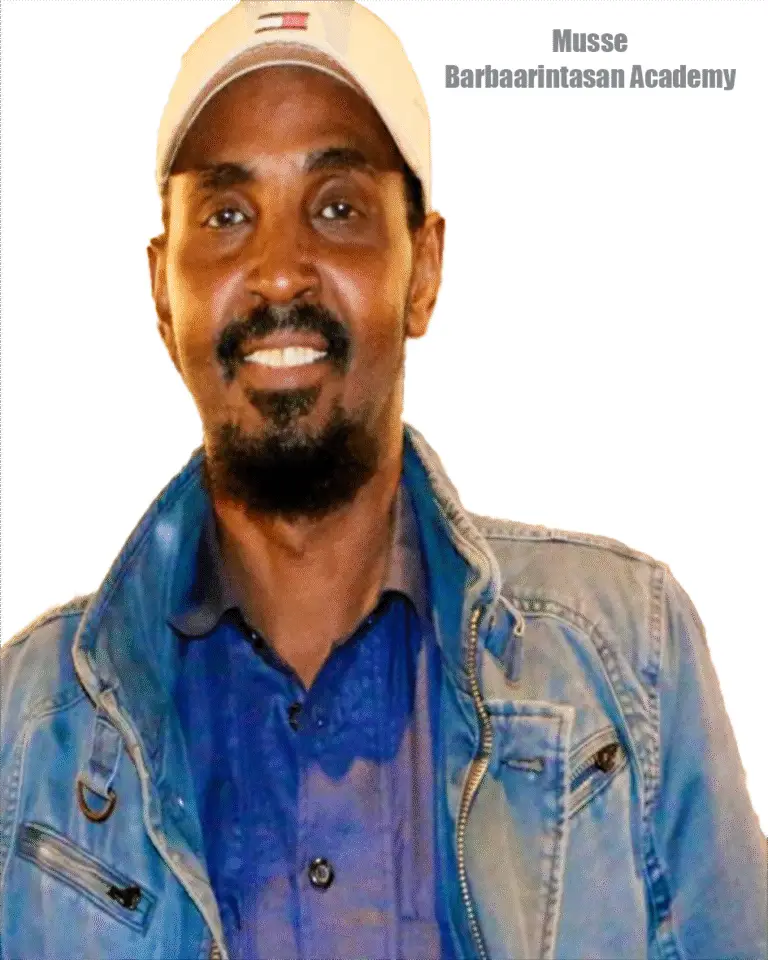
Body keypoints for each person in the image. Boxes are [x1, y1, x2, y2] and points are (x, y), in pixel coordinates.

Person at [1, 1, 765, 958]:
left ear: (423, 269)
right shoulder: (28, 731)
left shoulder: (626, 661)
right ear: (163, 290)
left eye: (337, 208)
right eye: (228, 215)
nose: (281, 272)